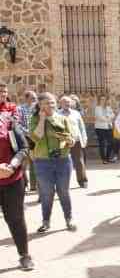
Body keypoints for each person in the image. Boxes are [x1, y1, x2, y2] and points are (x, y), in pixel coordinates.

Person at [29, 93, 77, 233]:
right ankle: (46, 221)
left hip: (63, 160)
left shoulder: (63, 119)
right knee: (46, 193)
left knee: (64, 192)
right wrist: (42, 120)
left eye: (52, 103)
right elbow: (36, 137)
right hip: (43, 162)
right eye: (46, 103)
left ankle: (69, 219)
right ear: (40, 105)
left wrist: (69, 141)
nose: (49, 105)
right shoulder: (34, 119)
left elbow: (72, 139)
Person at [0, 105, 34, 270]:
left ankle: (24, 255)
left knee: (15, 219)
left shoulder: (9, 120)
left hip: (12, 179)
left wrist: (12, 166)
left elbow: (24, 147)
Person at [59, 96, 88, 188]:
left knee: (79, 161)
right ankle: (63, 183)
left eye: (68, 102)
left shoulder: (76, 113)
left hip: (76, 140)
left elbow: (81, 127)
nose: (67, 104)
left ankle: (83, 181)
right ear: (61, 104)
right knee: (63, 162)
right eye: (65, 102)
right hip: (63, 141)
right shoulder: (57, 114)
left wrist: (84, 138)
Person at [18, 90, 37, 193]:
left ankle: (34, 186)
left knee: (34, 161)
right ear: (26, 98)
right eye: (32, 97)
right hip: (25, 138)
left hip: (35, 138)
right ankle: (24, 184)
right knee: (24, 163)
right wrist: (28, 132)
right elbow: (18, 124)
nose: (35, 99)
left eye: (35, 97)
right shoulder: (20, 109)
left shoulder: (37, 109)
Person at [94, 95, 115, 163]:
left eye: (104, 99)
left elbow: (113, 115)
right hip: (100, 128)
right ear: (99, 100)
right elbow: (100, 117)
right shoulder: (97, 108)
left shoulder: (108, 107)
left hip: (109, 127)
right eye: (101, 99)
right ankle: (104, 159)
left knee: (111, 142)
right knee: (102, 144)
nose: (103, 101)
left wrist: (108, 117)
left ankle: (108, 157)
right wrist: (108, 118)